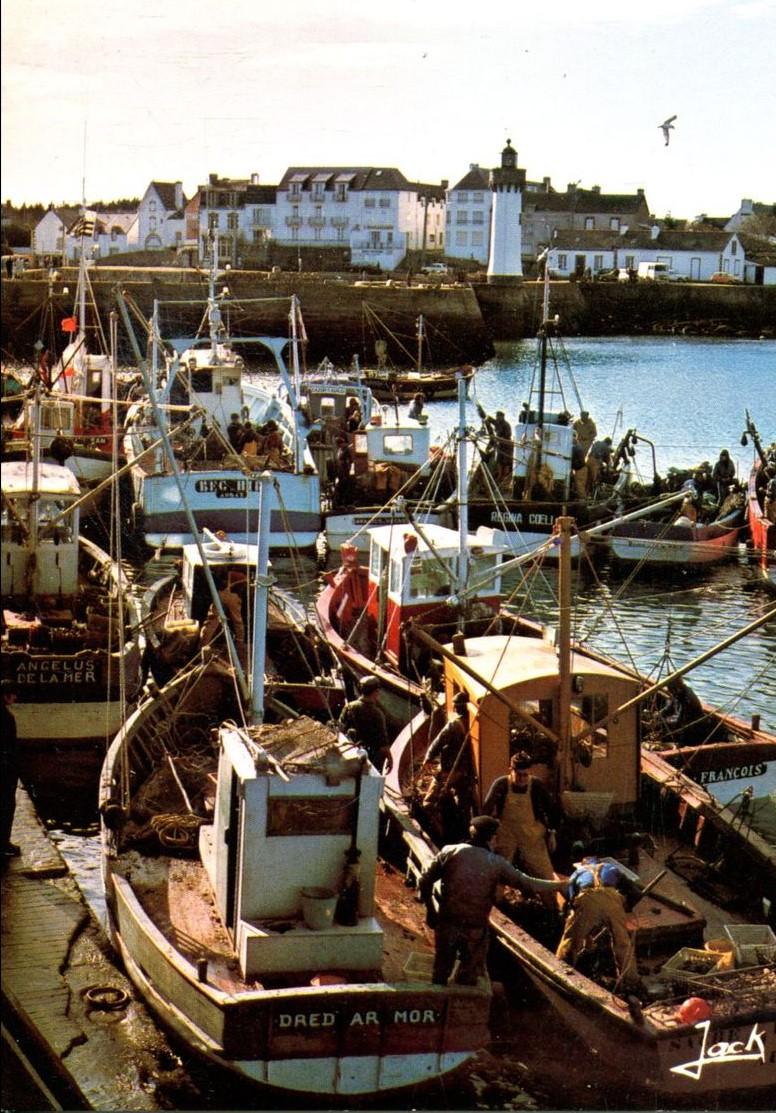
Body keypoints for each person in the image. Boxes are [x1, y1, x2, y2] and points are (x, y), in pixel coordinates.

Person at [419, 815, 566, 986]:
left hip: (447, 923)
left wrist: (430, 910)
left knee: (440, 972)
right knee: (468, 977)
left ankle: (438, 1002)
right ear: (492, 838)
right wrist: (558, 886)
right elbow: (527, 883)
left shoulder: (450, 851)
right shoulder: (496, 863)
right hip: (475, 930)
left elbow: (424, 881)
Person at [482, 751, 563, 911]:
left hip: (532, 835)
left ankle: (553, 910)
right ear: (510, 770)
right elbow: (485, 810)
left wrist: (552, 832)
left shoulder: (537, 786)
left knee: (545, 874)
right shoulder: (501, 785)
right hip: (506, 835)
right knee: (498, 873)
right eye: (518, 775)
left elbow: (553, 810)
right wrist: (489, 836)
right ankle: (497, 908)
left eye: (525, 775)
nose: (522, 779)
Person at [555, 850, 643, 991]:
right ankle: (631, 982)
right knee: (623, 943)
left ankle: (560, 972)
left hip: (587, 898)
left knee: (571, 939)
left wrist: (572, 919)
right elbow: (636, 893)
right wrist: (625, 908)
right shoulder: (612, 869)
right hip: (613, 900)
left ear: (582, 864)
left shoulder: (577, 873)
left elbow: (571, 901)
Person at [422, 691, 476, 839]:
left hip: (449, 771)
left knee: (429, 804)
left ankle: (440, 835)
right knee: (463, 805)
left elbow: (438, 742)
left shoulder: (454, 724)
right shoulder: (472, 724)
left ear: (456, 707)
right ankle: (463, 834)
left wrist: (428, 758)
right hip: (466, 773)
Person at [339, 676, 391, 771]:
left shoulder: (349, 707)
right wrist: (390, 758)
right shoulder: (378, 714)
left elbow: (340, 730)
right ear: (376, 692)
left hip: (349, 753)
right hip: (368, 759)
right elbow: (383, 745)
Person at [1, 679, 21, 861]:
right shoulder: (7, 718)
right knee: (7, 806)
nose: (15, 698)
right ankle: (4, 843)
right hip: (5, 770)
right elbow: (11, 747)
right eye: (13, 694)